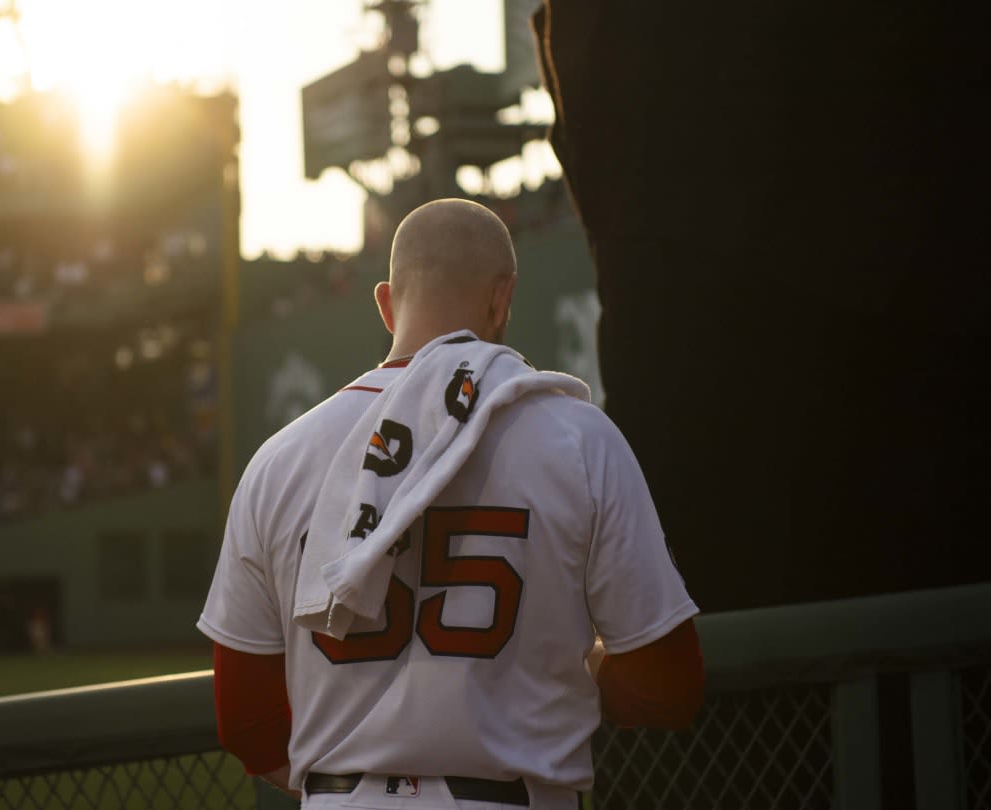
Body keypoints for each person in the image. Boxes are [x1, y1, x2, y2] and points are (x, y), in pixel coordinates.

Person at [198, 199, 704, 809]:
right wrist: (587, 672)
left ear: (387, 304)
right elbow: (666, 686)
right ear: (502, 299)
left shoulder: (277, 461)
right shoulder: (579, 437)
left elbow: (246, 721)